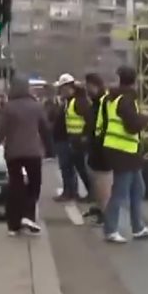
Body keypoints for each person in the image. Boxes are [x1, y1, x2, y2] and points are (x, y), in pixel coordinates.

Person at [101, 67, 148, 243]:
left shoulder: (113, 97)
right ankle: (110, 229)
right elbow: (131, 125)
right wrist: (145, 117)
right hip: (123, 150)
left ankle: (138, 227)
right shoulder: (126, 99)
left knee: (138, 189)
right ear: (135, 80)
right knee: (120, 191)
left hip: (125, 150)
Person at [0, 77, 52, 236]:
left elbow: (1, 129)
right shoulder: (36, 106)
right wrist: (50, 149)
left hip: (13, 153)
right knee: (34, 184)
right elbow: (45, 128)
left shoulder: (8, 107)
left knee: (15, 185)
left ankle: (13, 225)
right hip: (32, 152)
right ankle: (28, 215)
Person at [53, 73, 92, 202]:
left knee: (80, 168)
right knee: (68, 167)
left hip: (76, 140)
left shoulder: (79, 102)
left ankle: (90, 193)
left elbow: (89, 120)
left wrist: (84, 136)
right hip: (69, 139)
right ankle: (70, 192)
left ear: (70, 88)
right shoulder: (68, 101)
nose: (61, 92)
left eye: (63, 89)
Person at [83, 73, 111, 225]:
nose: (87, 89)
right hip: (95, 149)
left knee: (103, 184)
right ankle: (102, 209)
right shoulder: (95, 102)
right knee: (98, 183)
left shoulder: (104, 102)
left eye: (89, 86)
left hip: (102, 150)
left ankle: (107, 215)